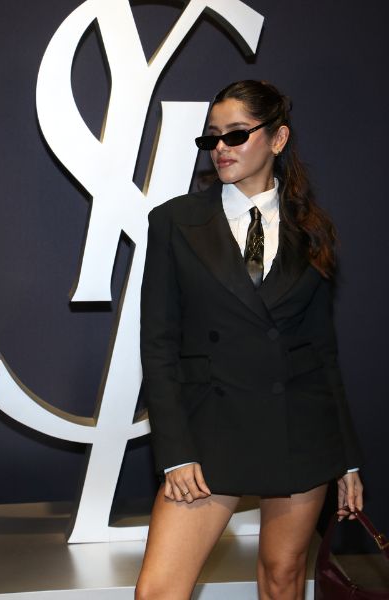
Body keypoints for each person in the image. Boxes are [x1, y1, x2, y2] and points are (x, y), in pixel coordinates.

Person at [135, 80, 364, 600]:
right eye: (211, 138)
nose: (220, 148)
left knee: (283, 578)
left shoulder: (312, 229)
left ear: (277, 139)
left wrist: (347, 458)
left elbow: (323, 352)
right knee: (158, 591)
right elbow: (158, 346)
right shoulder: (174, 221)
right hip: (209, 431)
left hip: (299, 427)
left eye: (236, 135)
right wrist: (174, 452)